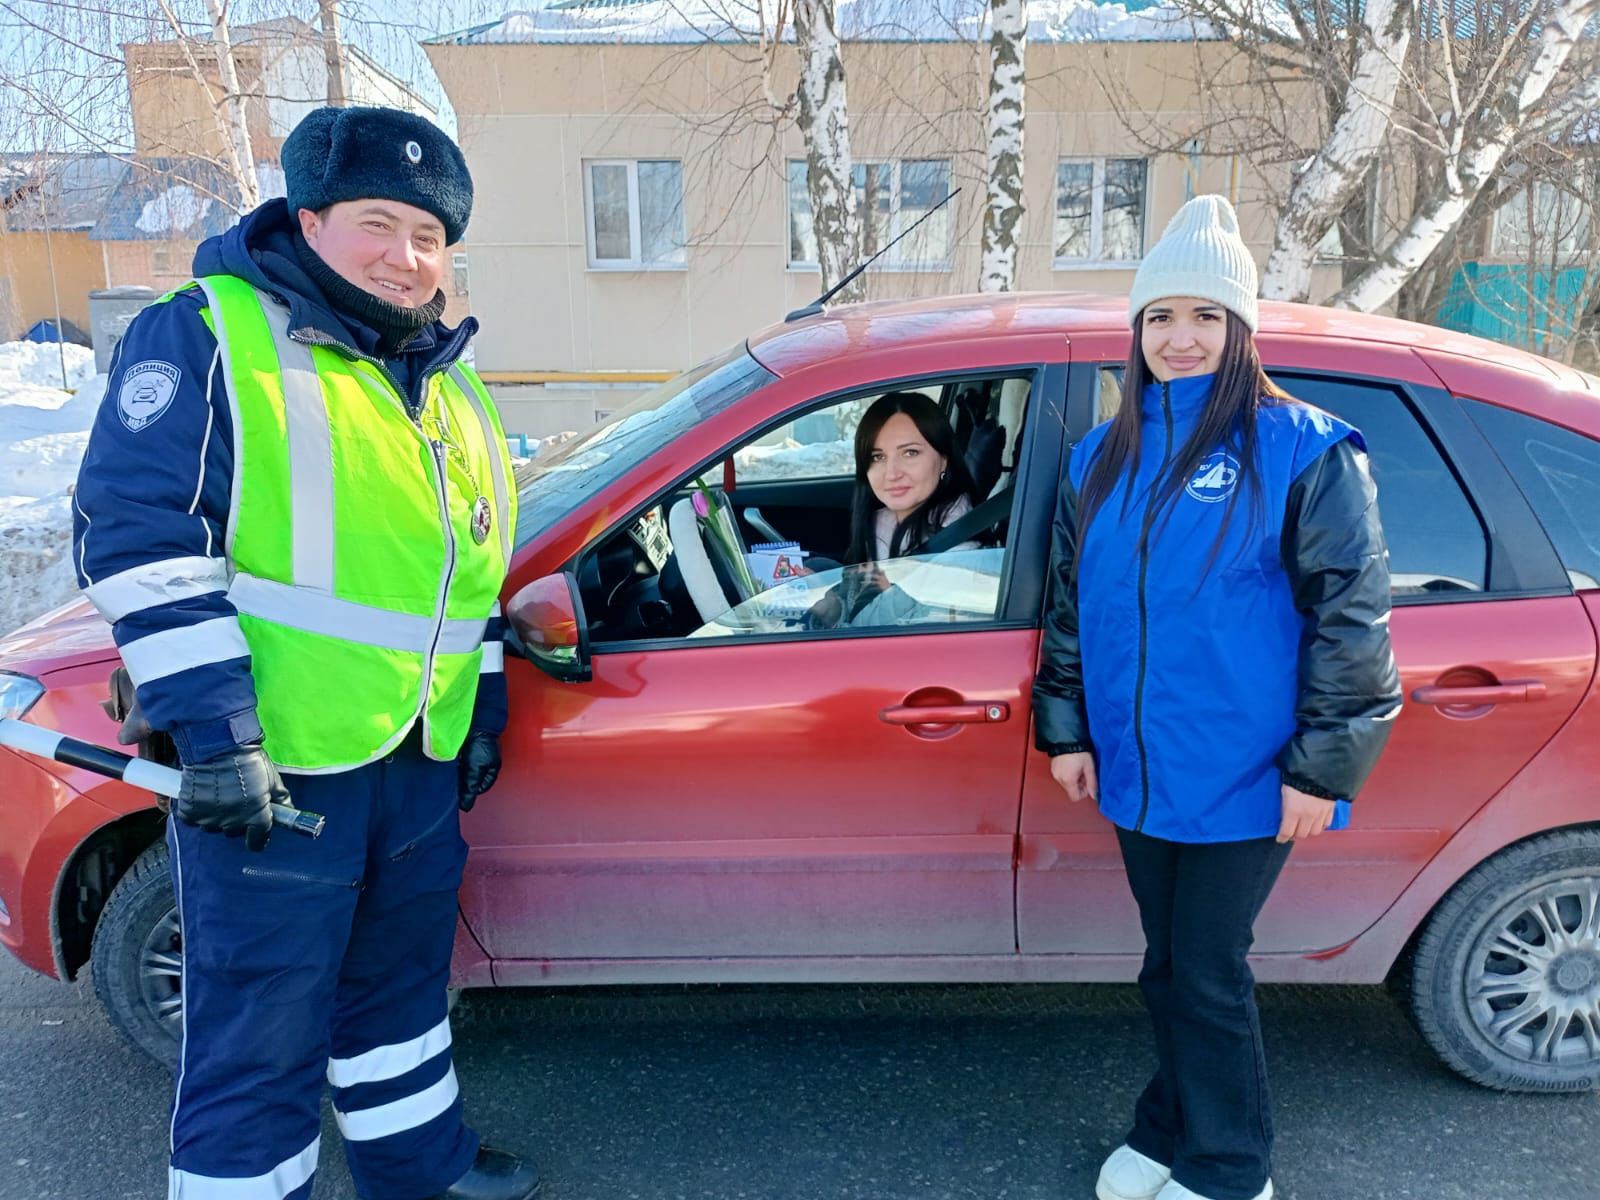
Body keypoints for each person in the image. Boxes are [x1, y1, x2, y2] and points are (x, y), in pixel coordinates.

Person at [72, 106, 538, 1200]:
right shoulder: (211, 334)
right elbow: (141, 537)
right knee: (260, 1026)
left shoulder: (447, 381)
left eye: (430, 238)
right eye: (380, 223)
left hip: (413, 759)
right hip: (279, 771)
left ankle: (418, 1169)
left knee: (398, 991)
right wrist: (218, 735)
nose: (407, 256)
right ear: (311, 217)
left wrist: (482, 708)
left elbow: (467, 580)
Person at [1032, 196, 1402, 1200]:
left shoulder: (1304, 449)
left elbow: (1352, 623)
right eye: (1159, 318)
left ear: (1239, 330)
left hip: (1248, 770)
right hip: (1138, 765)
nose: (1179, 338)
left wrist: (1320, 770)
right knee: (1167, 966)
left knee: (1205, 971)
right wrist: (1066, 728)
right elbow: (1073, 607)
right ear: (1137, 331)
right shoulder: (1095, 460)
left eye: (1204, 317)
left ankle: (1232, 1168)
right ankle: (1165, 1129)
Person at [809, 391, 982, 628]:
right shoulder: (880, 526)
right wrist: (832, 612)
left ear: (944, 460)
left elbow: (888, 651)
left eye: (910, 453)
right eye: (878, 457)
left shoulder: (959, 557)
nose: (892, 473)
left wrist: (894, 596)